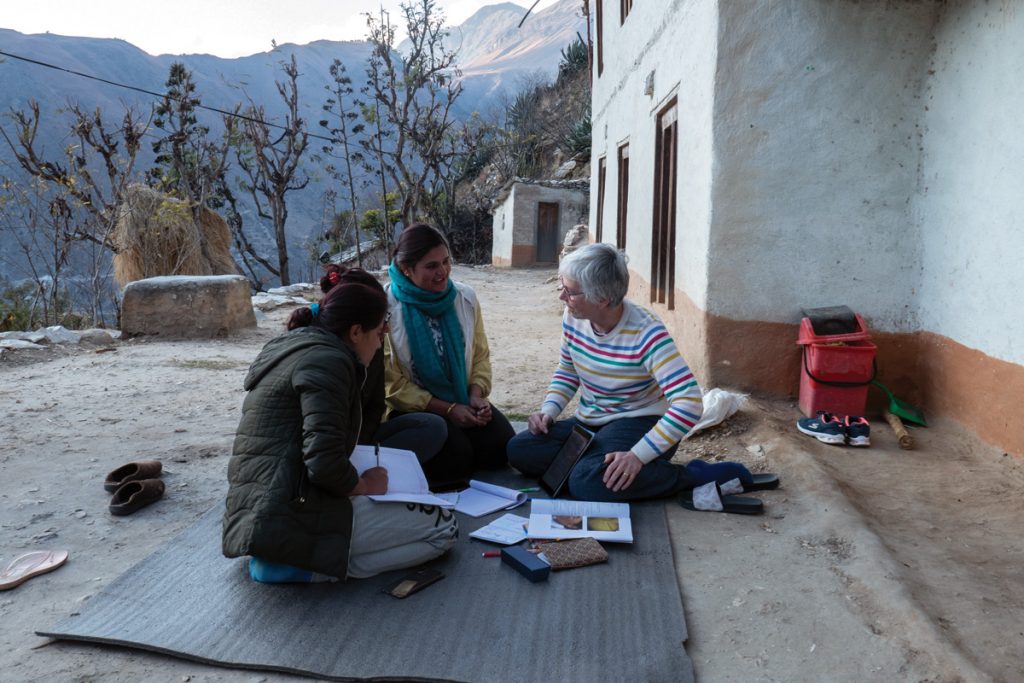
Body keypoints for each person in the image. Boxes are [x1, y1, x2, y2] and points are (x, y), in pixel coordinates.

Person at [223, 267, 457, 582]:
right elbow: (323, 462)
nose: (379, 345)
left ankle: (300, 555)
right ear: (356, 332)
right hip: (291, 509)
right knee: (445, 526)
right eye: (377, 334)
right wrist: (364, 486)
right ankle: (313, 566)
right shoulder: (329, 362)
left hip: (260, 507)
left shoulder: (293, 347)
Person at [506, 243, 706, 502]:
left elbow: (689, 403)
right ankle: (596, 467)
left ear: (601, 299)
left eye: (570, 291)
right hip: (592, 424)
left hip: (639, 423)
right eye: (561, 286)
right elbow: (568, 370)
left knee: (587, 483)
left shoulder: (646, 332)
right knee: (520, 450)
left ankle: (691, 475)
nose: (561, 297)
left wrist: (637, 455)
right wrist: (548, 411)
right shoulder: (573, 317)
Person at [384, 222, 513, 484]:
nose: (442, 272)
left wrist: (476, 396)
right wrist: (448, 409)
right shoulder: (386, 306)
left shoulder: (464, 297)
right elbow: (392, 386)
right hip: (414, 408)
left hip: (461, 396)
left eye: (446, 262)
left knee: (502, 448)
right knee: (456, 462)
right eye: (431, 266)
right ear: (407, 270)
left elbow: (479, 355)